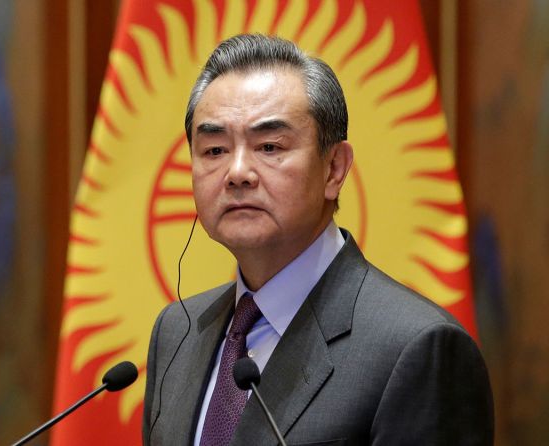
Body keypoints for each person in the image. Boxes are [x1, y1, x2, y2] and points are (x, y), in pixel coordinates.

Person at [142, 34, 493, 446]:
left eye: (269, 146)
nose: (237, 173)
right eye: (215, 150)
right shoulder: (176, 332)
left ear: (334, 169)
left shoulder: (417, 347)